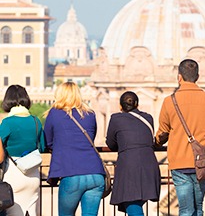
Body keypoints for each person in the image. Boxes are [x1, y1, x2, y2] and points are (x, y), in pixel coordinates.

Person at [155, 59, 205, 216]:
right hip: (204, 162)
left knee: (186, 209)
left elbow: (162, 133)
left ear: (179, 77)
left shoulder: (169, 101)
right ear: (197, 76)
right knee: (198, 207)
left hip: (179, 161)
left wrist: (157, 142)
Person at [44, 82, 105, 216]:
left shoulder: (54, 114)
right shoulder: (90, 114)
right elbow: (91, 137)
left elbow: (48, 141)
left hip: (71, 172)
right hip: (95, 172)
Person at [106, 91, 160, 216]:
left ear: (120, 106)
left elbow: (111, 143)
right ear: (137, 104)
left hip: (129, 166)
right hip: (149, 164)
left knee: (131, 203)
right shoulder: (148, 118)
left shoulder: (116, 119)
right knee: (135, 203)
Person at [0, 84, 46, 216]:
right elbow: (42, 147)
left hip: (13, 176)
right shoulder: (36, 121)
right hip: (33, 176)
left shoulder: (7, 123)